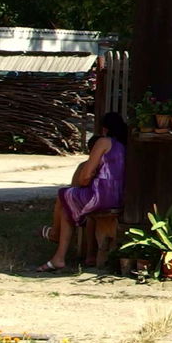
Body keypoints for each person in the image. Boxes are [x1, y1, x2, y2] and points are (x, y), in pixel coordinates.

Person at [38, 111, 127, 271]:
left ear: (105, 129)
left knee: (63, 194)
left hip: (101, 196)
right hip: (119, 197)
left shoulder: (104, 142)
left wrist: (87, 178)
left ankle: (55, 234)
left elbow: (84, 177)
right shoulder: (125, 146)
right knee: (67, 206)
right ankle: (58, 258)